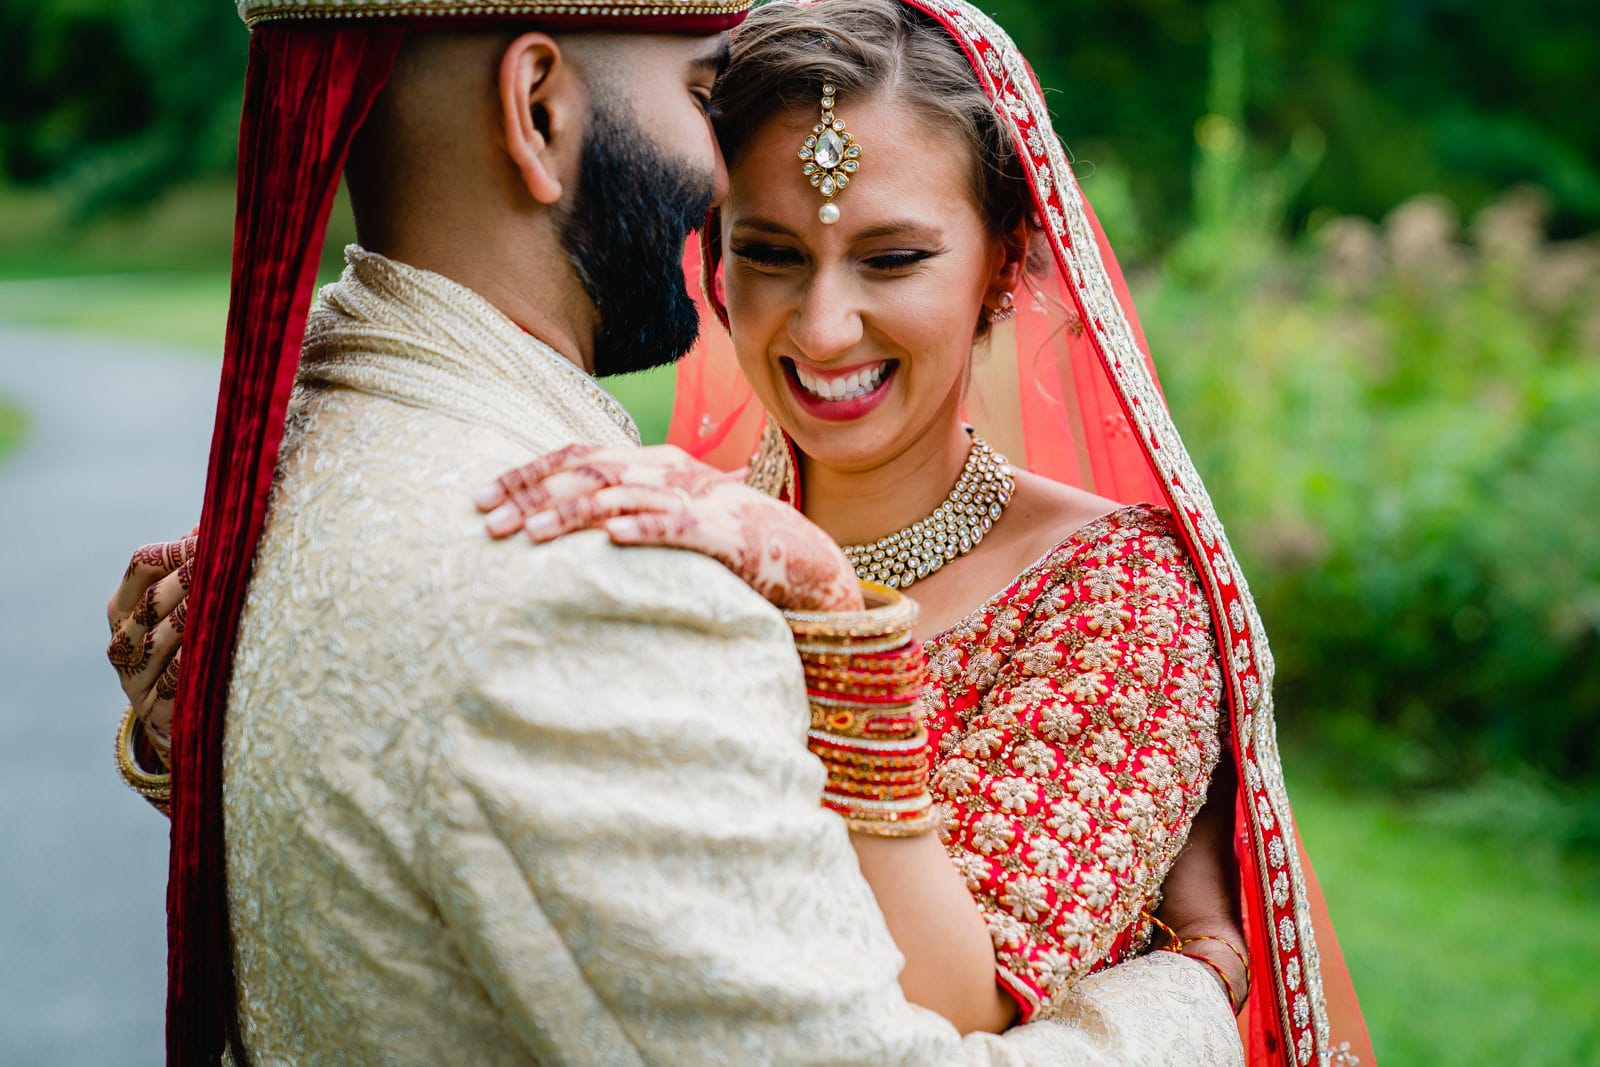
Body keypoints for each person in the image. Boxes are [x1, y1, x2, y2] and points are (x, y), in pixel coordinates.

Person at [101, 0, 1260, 1063]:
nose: (824, 323)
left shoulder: (1111, 591)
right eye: (765, 252)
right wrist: (228, 707)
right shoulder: (647, 526)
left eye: (894, 257)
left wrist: (840, 634)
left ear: (1004, 260)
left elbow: (956, 1004)